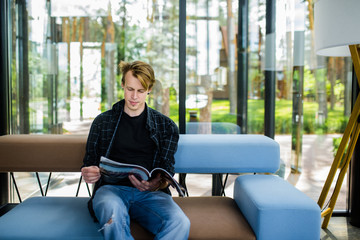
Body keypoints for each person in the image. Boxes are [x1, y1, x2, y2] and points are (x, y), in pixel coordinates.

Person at [81, 60, 190, 240]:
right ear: (122, 84)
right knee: (112, 214)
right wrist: (89, 172)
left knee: (180, 222)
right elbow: (89, 162)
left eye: (140, 91)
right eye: (130, 89)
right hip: (110, 191)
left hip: (150, 195)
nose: (134, 97)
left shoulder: (166, 126)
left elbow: (167, 169)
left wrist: (156, 183)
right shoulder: (102, 122)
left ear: (149, 90)